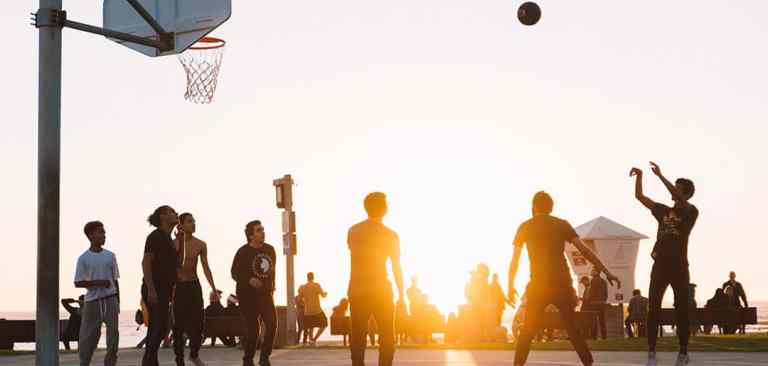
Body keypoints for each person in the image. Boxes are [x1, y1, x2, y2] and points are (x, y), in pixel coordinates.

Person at [508, 191, 620, 366]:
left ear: (534, 206)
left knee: (528, 331)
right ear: (551, 208)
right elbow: (584, 250)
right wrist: (606, 271)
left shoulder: (525, 227)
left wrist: (509, 285)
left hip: (538, 284)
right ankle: (588, 363)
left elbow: (515, 260)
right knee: (572, 328)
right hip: (562, 283)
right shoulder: (561, 225)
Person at [631, 163, 698, 366]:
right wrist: (640, 177)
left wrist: (660, 175)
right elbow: (640, 197)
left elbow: (679, 199)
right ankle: (651, 353)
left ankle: (683, 352)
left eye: (677, 188)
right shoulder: (663, 211)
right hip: (660, 266)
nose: (673, 191)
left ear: (684, 193)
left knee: (682, 309)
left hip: (679, 267)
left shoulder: (691, 211)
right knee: (653, 309)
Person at [347, 192, 405, 366]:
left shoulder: (353, 231)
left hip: (357, 289)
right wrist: (402, 294)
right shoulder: (390, 235)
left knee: (357, 337)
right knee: (387, 337)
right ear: (384, 209)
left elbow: (354, 250)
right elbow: (396, 266)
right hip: (381, 289)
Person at [171, 213, 220, 366]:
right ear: (181, 225)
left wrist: (213, 287)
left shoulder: (200, 244)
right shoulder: (173, 244)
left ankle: (194, 354)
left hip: (194, 286)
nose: (193, 224)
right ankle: (179, 359)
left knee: (199, 323)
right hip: (179, 287)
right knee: (178, 325)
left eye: (194, 221)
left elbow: (206, 267)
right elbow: (171, 267)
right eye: (190, 221)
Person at [74, 221, 121, 366]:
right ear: (91, 235)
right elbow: (78, 282)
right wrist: (99, 282)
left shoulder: (110, 256)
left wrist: (118, 301)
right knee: (88, 336)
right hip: (92, 302)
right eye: (101, 232)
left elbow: (115, 280)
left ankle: (110, 363)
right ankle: (84, 362)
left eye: (104, 232)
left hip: (111, 299)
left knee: (113, 336)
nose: (104, 235)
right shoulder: (83, 258)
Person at [231, 220, 277, 366]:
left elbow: (272, 271)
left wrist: (272, 286)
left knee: (272, 324)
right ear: (251, 235)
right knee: (253, 332)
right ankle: (248, 359)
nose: (262, 232)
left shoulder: (270, 249)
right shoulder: (243, 252)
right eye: (258, 230)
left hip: (265, 295)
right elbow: (234, 272)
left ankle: (264, 358)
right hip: (247, 297)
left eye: (263, 229)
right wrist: (249, 279)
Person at [142, 206, 180, 366]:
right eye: (172, 212)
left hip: (165, 291)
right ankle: (149, 363)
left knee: (161, 329)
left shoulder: (169, 239)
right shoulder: (155, 236)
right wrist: (151, 289)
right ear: (163, 216)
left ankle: (151, 362)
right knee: (156, 330)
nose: (176, 214)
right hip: (154, 290)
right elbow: (146, 263)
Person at [298, 272, 329, 346]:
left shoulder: (303, 287)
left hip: (307, 311)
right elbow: (323, 295)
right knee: (324, 324)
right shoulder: (316, 285)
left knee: (310, 326)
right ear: (313, 277)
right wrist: (326, 293)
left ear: (307, 277)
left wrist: (305, 302)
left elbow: (299, 298)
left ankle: (311, 341)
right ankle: (314, 339)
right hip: (317, 310)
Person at [583, 268, 608, 340]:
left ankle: (594, 337)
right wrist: (603, 300)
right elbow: (606, 294)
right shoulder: (604, 281)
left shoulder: (593, 280)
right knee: (602, 321)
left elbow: (592, 293)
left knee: (594, 321)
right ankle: (604, 337)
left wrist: (588, 300)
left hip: (594, 303)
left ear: (597, 272)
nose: (591, 271)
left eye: (593, 270)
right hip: (602, 303)